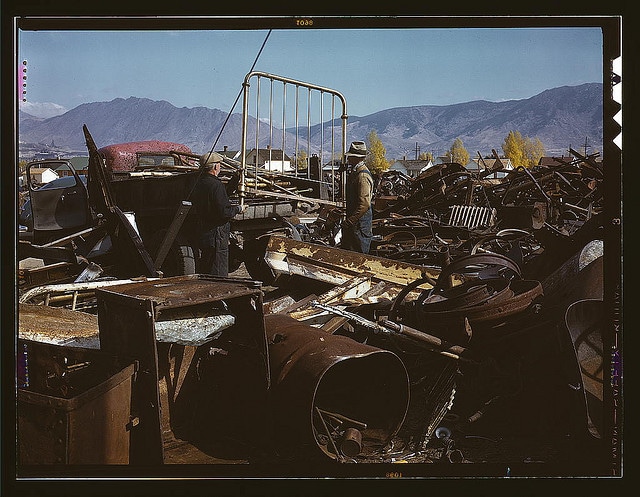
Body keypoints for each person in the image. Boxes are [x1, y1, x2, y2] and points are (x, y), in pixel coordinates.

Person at [190, 151, 245, 277]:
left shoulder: (199, 183)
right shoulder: (216, 185)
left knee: (207, 264)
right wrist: (238, 209)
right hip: (217, 233)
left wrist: (235, 179)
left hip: (204, 230)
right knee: (218, 267)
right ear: (215, 166)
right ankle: (218, 293)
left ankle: (206, 291)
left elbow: (220, 196)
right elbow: (224, 212)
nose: (220, 166)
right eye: (219, 164)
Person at [341, 141, 374, 254]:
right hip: (356, 224)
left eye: (350, 157)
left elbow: (364, 204)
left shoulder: (362, 176)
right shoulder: (356, 173)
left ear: (357, 158)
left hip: (360, 225)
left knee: (358, 255)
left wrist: (351, 221)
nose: (348, 159)